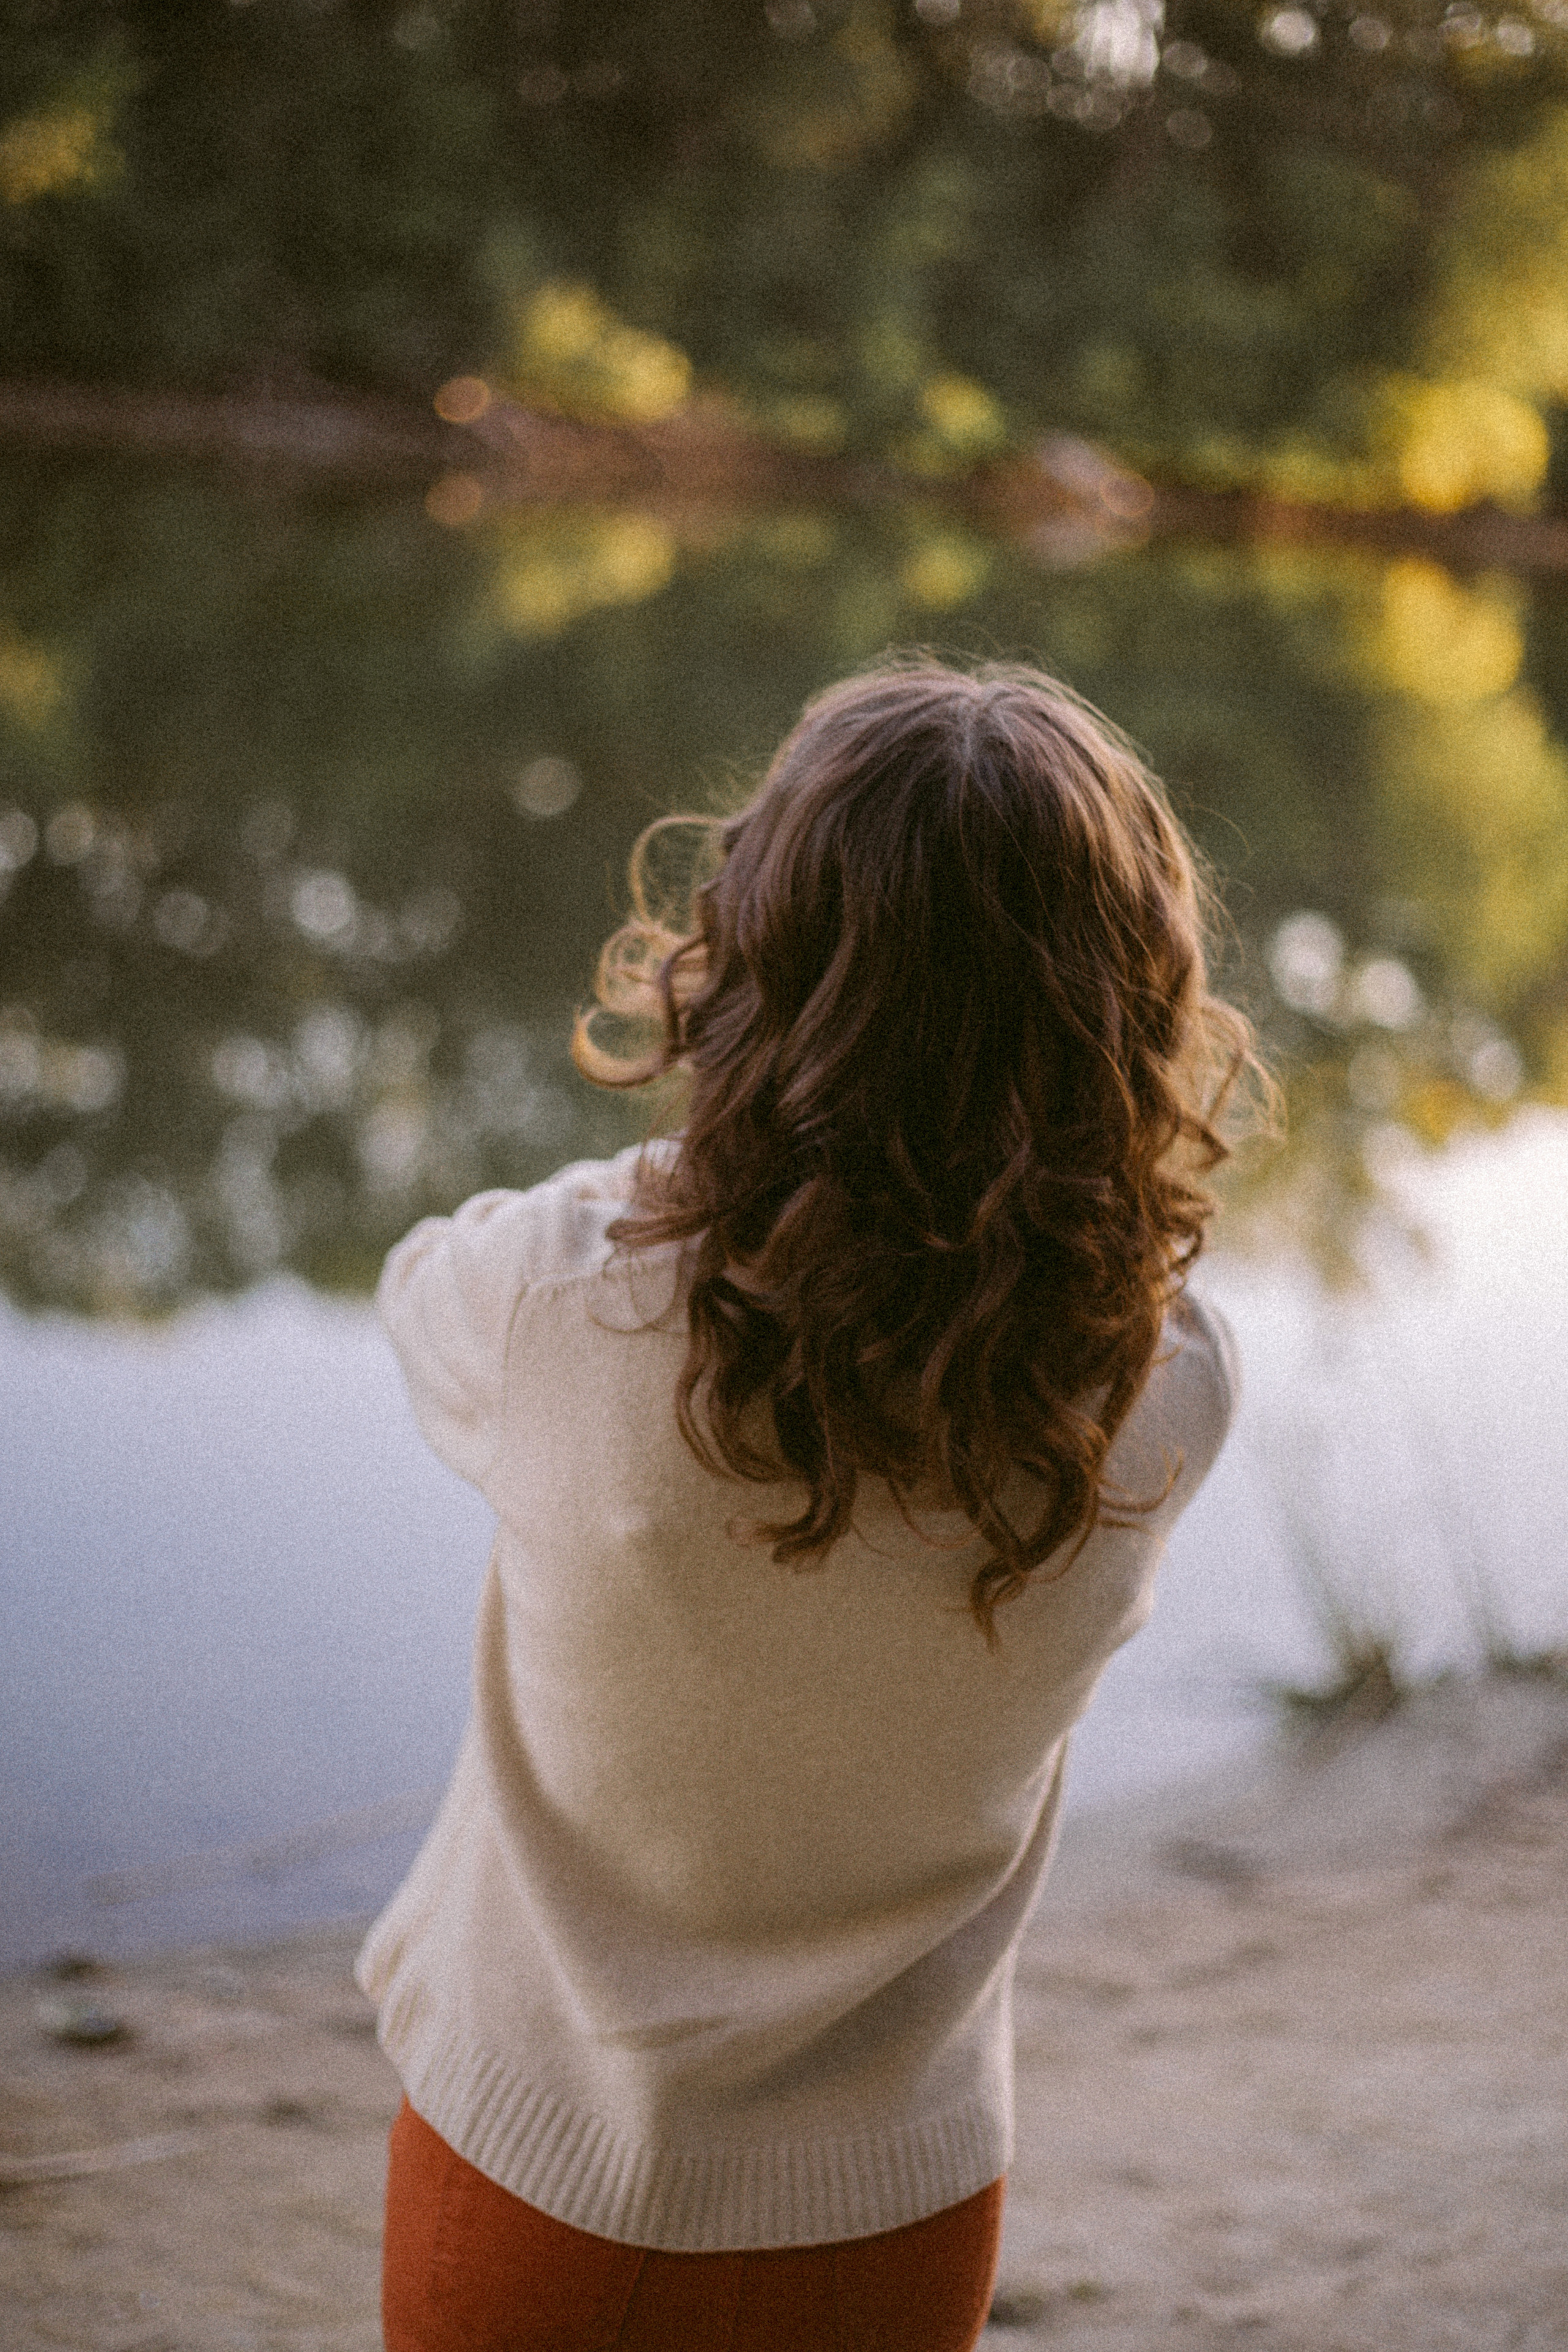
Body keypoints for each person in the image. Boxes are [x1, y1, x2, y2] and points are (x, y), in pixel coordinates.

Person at [361, 659, 1256, 2351]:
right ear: (1132, 1006)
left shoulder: (557, 1303)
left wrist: (701, 1167)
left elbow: (417, 1290)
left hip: (542, 2186)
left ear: (751, 964)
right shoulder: (1167, 1383)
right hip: (899, 2213)